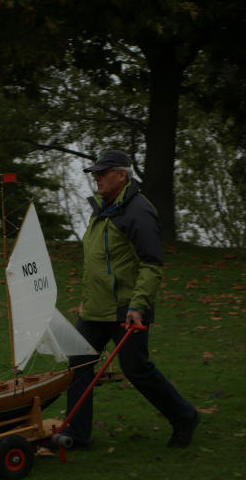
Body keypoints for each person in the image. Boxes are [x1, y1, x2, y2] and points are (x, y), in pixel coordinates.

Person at [62, 149, 200, 448]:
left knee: (136, 369)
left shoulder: (138, 211)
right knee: (78, 364)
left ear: (121, 175)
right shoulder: (102, 207)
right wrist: (87, 300)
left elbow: (151, 263)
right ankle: (76, 434)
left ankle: (184, 415)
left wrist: (138, 306)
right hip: (97, 308)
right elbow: (98, 261)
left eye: (103, 172)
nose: (96, 177)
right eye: (95, 173)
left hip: (127, 308)